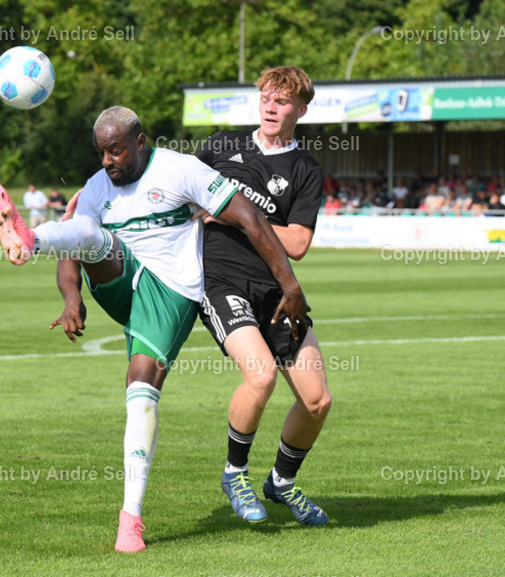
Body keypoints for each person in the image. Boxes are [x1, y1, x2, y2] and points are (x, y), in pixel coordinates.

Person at [0, 105, 308, 553]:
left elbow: (250, 218)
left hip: (171, 290)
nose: (107, 162)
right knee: (87, 230)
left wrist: (289, 284)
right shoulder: (99, 186)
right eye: (101, 153)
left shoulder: (180, 169)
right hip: (122, 283)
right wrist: (71, 296)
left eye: (114, 151)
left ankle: (130, 520)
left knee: (139, 395)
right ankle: (29, 239)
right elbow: (74, 247)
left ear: (139, 142)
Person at [193, 66, 330, 528]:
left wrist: (237, 214)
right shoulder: (220, 147)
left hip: (277, 291)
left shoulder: (307, 171)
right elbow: (184, 200)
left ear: (301, 110)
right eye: (267, 98)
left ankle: (282, 482)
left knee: (317, 402)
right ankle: (235, 474)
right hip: (222, 282)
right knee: (261, 377)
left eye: (284, 101)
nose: (272, 107)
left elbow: (297, 244)